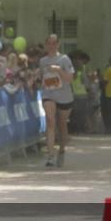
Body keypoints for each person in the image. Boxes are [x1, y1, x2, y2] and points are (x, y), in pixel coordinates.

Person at [39, 34, 74, 168]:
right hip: (49, 94)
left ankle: (62, 149)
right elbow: (43, 78)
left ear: (58, 44)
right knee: (50, 120)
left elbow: (70, 79)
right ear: (46, 45)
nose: (51, 45)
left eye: (54, 43)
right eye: (49, 43)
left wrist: (59, 70)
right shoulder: (42, 61)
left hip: (64, 96)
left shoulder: (64, 59)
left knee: (62, 124)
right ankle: (50, 156)